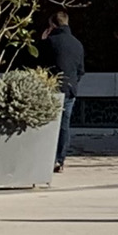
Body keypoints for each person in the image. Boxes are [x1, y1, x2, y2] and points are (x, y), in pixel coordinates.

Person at [41, 11, 85, 174]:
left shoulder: (50, 42)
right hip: (70, 89)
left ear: (53, 25)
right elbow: (81, 70)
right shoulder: (77, 44)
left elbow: (40, 62)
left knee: (48, 124)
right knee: (64, 126)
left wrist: (42, 41)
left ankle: (47, 158)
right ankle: (60, 159)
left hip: (52, 88)